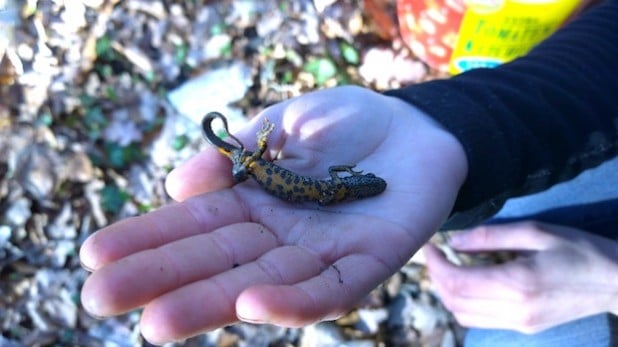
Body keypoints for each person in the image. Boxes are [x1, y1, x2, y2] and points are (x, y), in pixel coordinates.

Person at [79, 0, 618, 345]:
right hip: (254, 169)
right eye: (365, 186)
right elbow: (323, 190)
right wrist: (449, 124)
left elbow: (331, 188)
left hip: (259, 167)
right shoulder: (330, 190)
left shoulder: (335, 190)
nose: (369, 187)